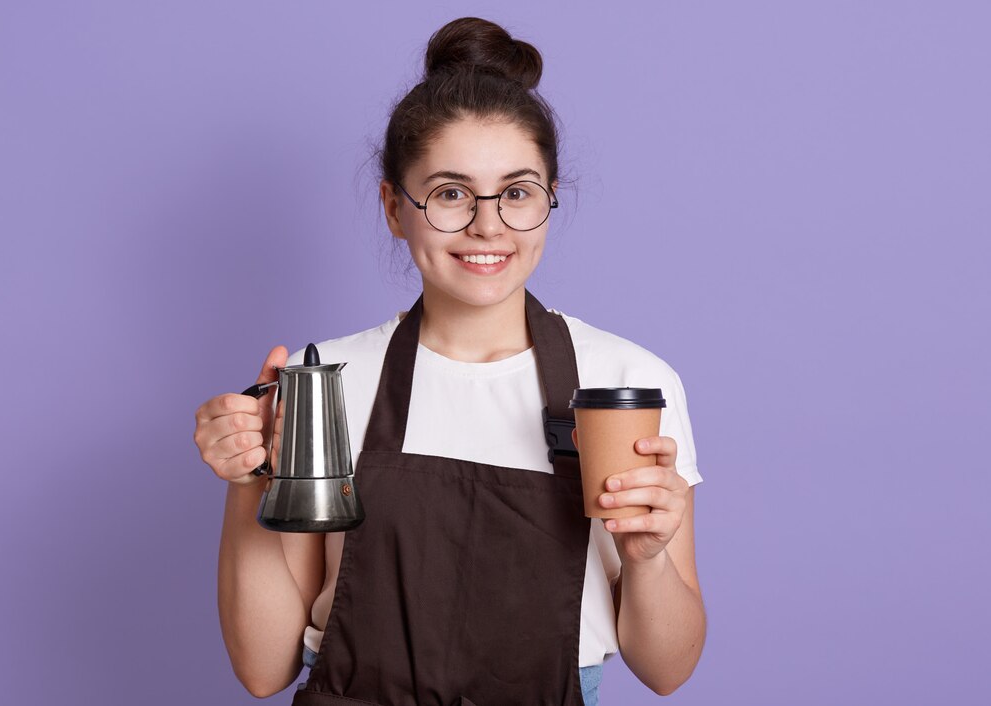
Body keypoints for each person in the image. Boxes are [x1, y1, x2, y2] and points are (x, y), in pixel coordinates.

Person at [193, 16, 706, 705]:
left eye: (517, 192)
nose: (487, 224)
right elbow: (263, 669)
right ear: (393, 208)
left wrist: (647, 559)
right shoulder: (325, 380)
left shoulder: (624, 385)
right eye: (450, 193)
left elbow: (667, 669)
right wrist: (248, 476)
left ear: (551, 201)